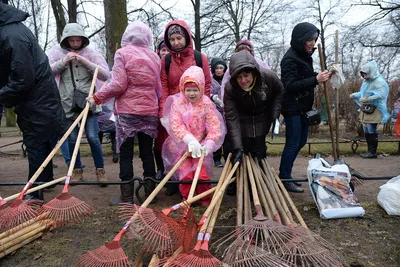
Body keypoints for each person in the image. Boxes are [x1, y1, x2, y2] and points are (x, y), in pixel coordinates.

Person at [88, 21, 161, 204]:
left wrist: (97, 97)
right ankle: (150, 194)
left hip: (128, 112)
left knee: (126, 153)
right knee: (146, 151)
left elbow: (118, 84)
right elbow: (158, 87)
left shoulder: (122, 53)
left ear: (127, 37)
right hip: (149, 110)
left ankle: (127, 197)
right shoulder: (154, 57)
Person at [0, 3, 66, 200]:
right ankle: (44, 180)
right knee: (42, 140)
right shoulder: (11, 29)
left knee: (36, 142)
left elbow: (23, 78)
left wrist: (2, 95)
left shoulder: (12, 35)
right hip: (40, 98)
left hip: (37, 99)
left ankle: (34, 195)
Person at [47, 23, 110, 185]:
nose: (75, 43)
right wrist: (63, 61)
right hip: (66, 104)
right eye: (72, 40)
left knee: (92, 137)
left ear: (83, 40)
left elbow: (105, 74)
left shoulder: (91, 54)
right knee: (72, 139)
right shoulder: (55, 53)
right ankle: (76, 171)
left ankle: (100, 171)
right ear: (66, 41)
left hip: (89, 103)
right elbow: (46, 72)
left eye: (78, 40)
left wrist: (86, 62)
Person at [157, 19, 212, 196]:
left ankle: (198, 184)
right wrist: (163, 113)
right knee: (174, 147)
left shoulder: (199, 58)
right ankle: (176, 182)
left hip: (196, 110)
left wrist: (206, 109)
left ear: (187, 37)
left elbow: (207, 84)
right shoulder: (165, 60)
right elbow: (163, 86)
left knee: (196, 146)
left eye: (179, 38)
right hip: (174, 111)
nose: (176, 43)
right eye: (171, 40)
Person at [278, 22, 332, 193]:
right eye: (310, 39)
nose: (313, 43)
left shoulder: (303, 55)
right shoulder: (289, 59)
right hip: (292, 107)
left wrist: (321, 76)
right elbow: (291, 85)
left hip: (303, 107)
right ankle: (284, 178)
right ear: (300, 39)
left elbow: (306, 77)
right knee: (293, 143)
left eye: (314, 40)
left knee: (300, 141)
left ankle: (287, 174)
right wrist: (316, 80)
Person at [162, 66, 225, 206]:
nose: (191, 94)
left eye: (195, 90)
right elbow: (175, 125)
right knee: (186, 175)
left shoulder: (206, 104)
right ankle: (188, 199)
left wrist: (209, 143)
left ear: (201, 89)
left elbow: (214, 125)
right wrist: (188, 139)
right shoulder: (178, 104)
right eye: (188, 90)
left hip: (201, 146)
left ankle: (204, 199)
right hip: (182, 147)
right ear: (182, 89)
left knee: (202, 175)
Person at [224, 50, 284, 195]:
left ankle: (258, 186)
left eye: (246, 76)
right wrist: (237, 147)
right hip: (242, 120)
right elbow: (231, 118)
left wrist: (275, 114)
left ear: (254, 73)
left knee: (259, 152)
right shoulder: (230, 88)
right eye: (239, 77)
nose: (243, 80)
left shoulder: (268, 77)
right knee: (240, 153)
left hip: (262, 117)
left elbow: (280, 91)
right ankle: (238, 183)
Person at [350, 60, 390, 158]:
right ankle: (369, 151)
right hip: (367, 108)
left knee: (371, 129)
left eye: (365, 74)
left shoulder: (379, 82)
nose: (363, 76)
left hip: (375, 108)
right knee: (367, 129)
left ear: (370, 72)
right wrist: (355, 95)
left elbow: (381, 94)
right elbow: (364, 93)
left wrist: (368, 98)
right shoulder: (367, 81)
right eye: (362, 74)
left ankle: (372, 152)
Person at [210, 57, 227, 167]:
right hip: (215, 112)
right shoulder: (211, 81)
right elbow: (206, 92)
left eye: (221, 68)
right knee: (217, 135)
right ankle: (216, 158)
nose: (219, 70)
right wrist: (213, 97)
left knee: (227, 136)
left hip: (226, 111)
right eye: (217, 68)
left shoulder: (227, 79)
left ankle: (227, 157)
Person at [98, 98, 118, 163]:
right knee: (114, 136)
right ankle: (115, 154)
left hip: (100, 116)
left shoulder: (96, 89)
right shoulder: (112, 89)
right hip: (111, 116)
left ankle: (99, 155)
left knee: (99, 135)